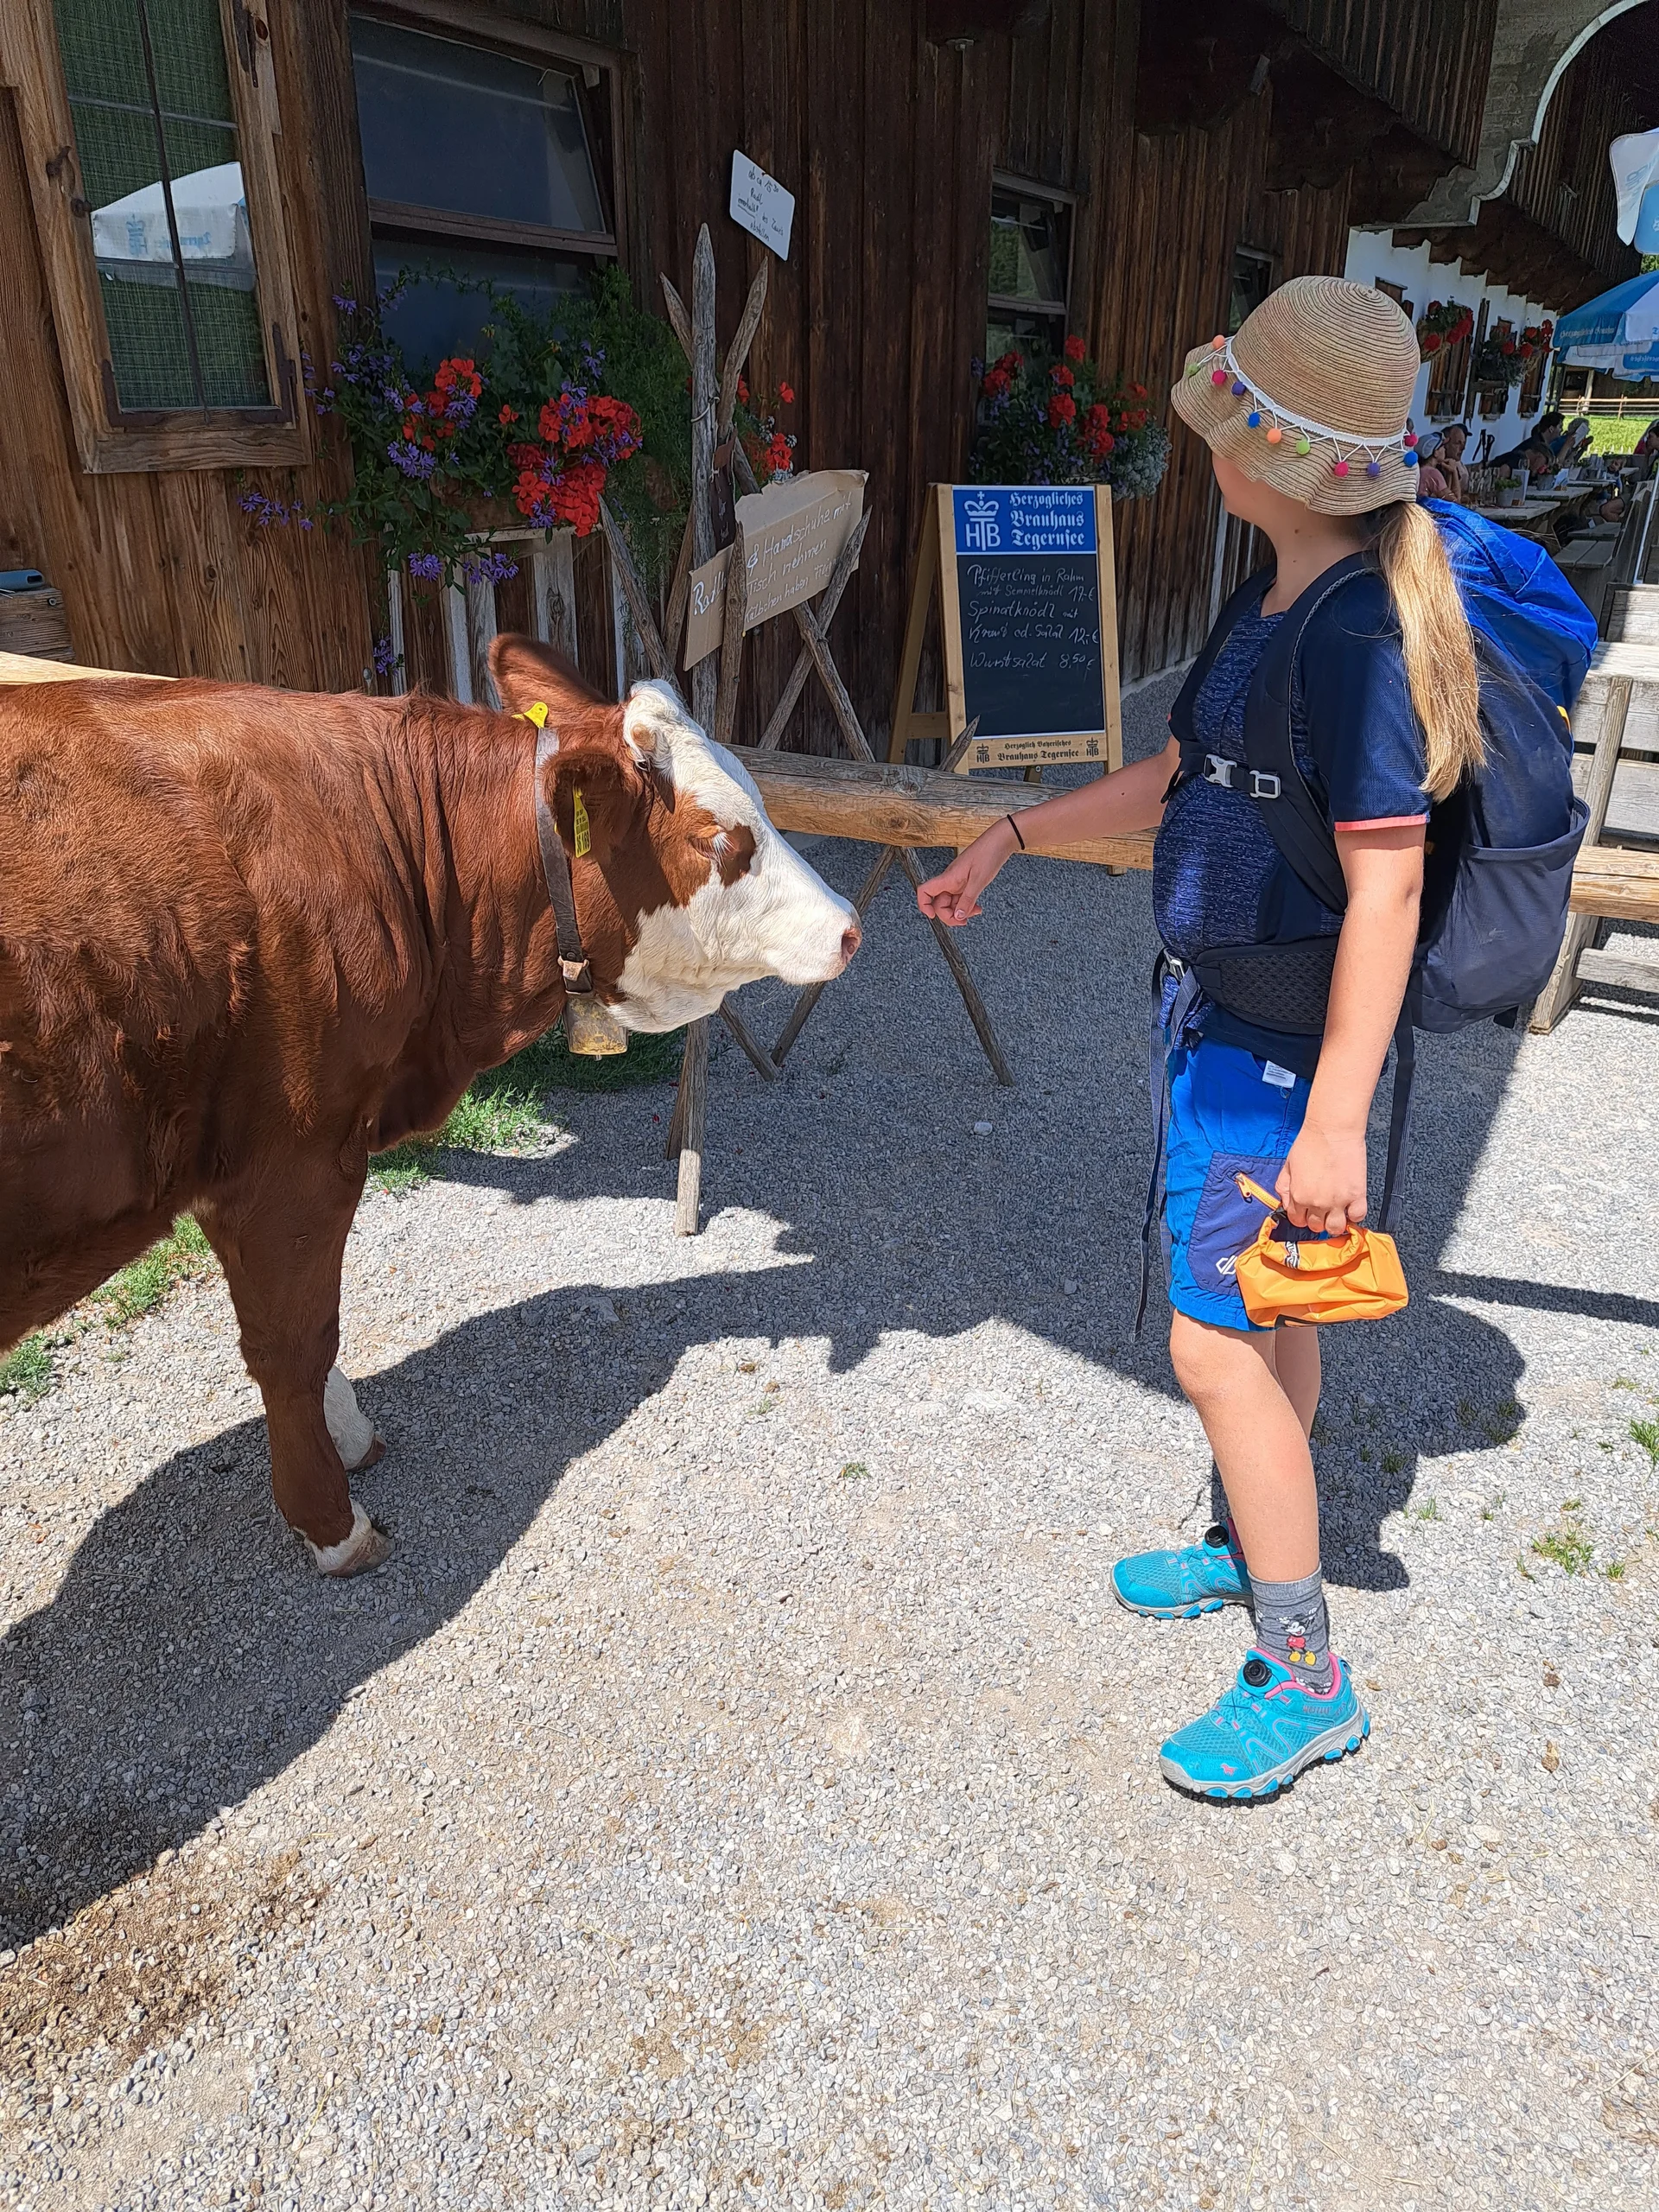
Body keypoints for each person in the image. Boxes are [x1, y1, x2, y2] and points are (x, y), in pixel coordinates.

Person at [917, 276, 1481, 1800]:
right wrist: (1017, 836)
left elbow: (1387, 888)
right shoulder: (1276, 600)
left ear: (1275, 460)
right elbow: (1182, 772)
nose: (1202, 448)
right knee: (1270, 1318)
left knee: (1210, 1337)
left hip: (1287, 1058)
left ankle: (1306, 1674)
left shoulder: (1360, 637)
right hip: (1224, 1026)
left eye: (1225, 424)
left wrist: (1335, 1122)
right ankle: (1252, 1537)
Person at [1434, 421, 1471, 501]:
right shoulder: (1435, 469)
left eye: (1464, 443)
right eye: (1457, 443)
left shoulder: (1455, 465)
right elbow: (1454, 500)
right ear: (1446, 444)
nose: (1463, 448)